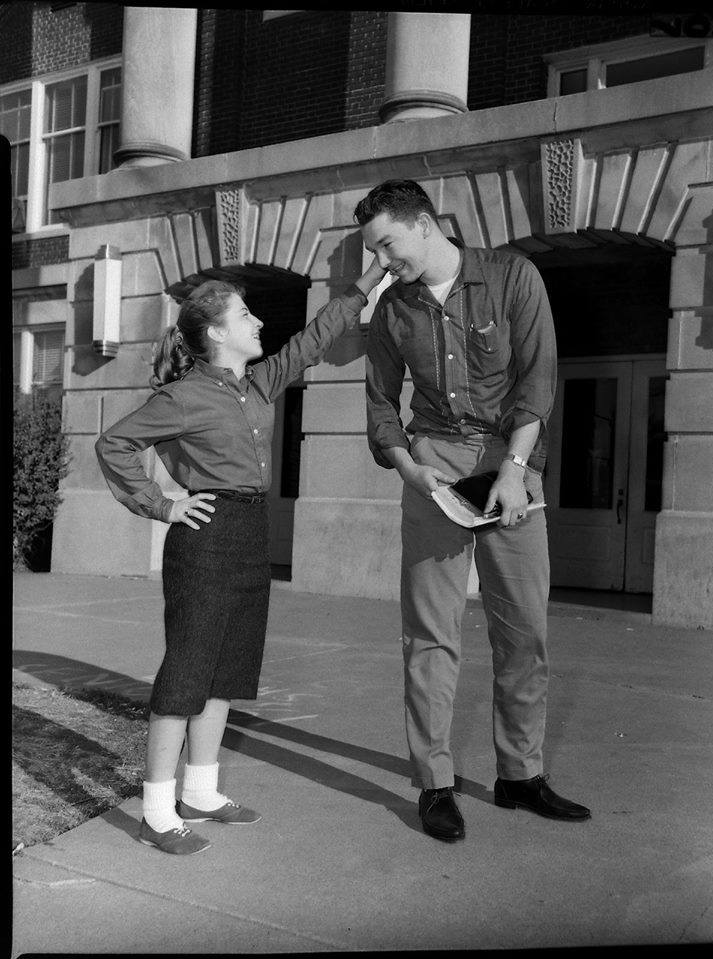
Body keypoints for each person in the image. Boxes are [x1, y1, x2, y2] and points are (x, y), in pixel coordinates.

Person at [95, 261, 386, 855]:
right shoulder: (182, 396)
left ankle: (199, 793)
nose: (258, 323)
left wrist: (364, 285)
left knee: (227, 668)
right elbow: (114, 442)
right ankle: (155, 809)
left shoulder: (256, 385)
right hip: (206, 537)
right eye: (246, 316)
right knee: (187, 670)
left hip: (251, 533)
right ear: (217, 333)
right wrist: (162, 505)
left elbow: (312, 341)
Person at [355, 179, 590, 843]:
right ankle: (434, 783)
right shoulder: (389, 311)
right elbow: (379, 403)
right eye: (373, 251)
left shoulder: (512, 276)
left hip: (509, 466)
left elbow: (538, 380)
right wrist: (405, 464)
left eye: (386, 245)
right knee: (430, 635)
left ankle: (520, 774)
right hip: (434, 472)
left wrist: (515, 471)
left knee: (524, 632)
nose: (381, 262)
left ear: (424, 223)